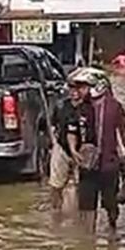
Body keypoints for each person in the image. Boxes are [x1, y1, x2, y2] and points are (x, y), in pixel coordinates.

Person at [75, 67, 125, 234]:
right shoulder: (80, 107)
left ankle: (112, 230)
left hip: (109, 164)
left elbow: (123, 133)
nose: (79, 91)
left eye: (83, 87)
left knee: (110, 203)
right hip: (87, 165)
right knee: (87, 206)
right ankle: (89, 240)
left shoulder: (114, 106)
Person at [49, 70, 96, 218]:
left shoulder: (92, 108)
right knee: (56, 185)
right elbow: (52, 126)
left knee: (79, 188)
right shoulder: (61, 106)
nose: (74, 91)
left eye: (78, 88)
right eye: (71, 88)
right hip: (62, 148)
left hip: (84, 153)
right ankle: (55, 214)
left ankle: (77, 218)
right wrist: (53, 145)